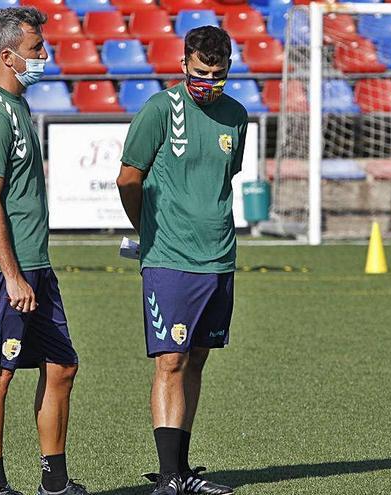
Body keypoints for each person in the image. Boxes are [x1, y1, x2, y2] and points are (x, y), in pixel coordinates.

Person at [0, 7, 88, 495]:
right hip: (1, 271)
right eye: (36, 49)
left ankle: (54, 482)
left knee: (62, 365)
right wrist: (11, 275)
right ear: (7, 56)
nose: (45, 56)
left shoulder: (17, 107)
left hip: (36, 266)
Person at [116, 25, 248, 495]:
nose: (207, 82)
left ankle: (182, 469)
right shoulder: (159, 109)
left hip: (219, 258)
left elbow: (223, 180)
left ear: (229, 69)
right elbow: (128, 178)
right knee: (170, 359)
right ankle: (169, 476)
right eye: (199, 73)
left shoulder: (237, 116)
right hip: (169, 257)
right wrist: (147, 229)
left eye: (217, 74)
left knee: (196, 360)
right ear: (182, 64)